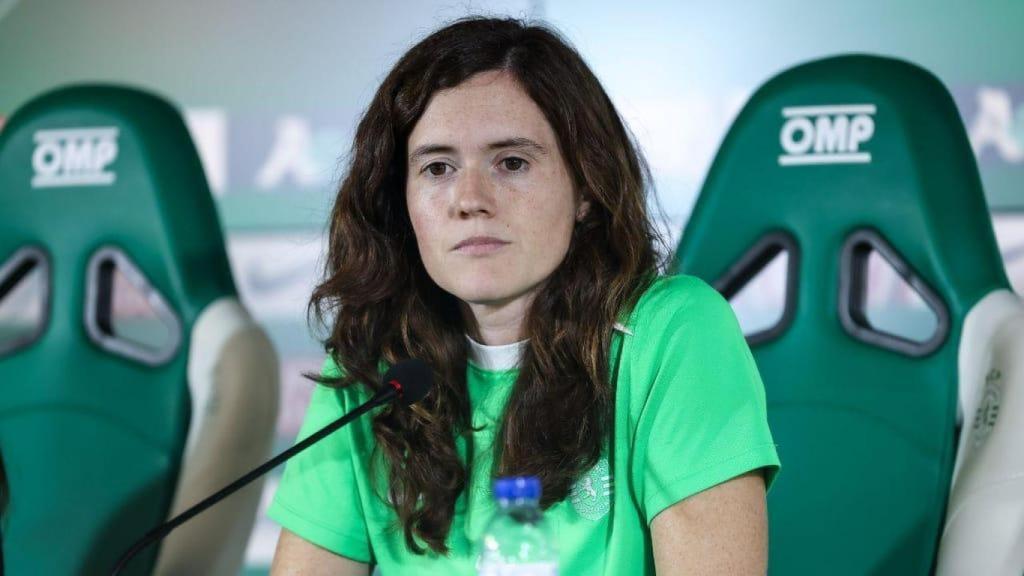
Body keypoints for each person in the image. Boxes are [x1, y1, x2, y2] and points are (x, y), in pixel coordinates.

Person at [269, 17, 780, 576]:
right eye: (437, 167)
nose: (470, 200)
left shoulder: (671, 333)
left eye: (511, 162)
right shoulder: (374, 366)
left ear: (586, 186)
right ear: (401, 201)